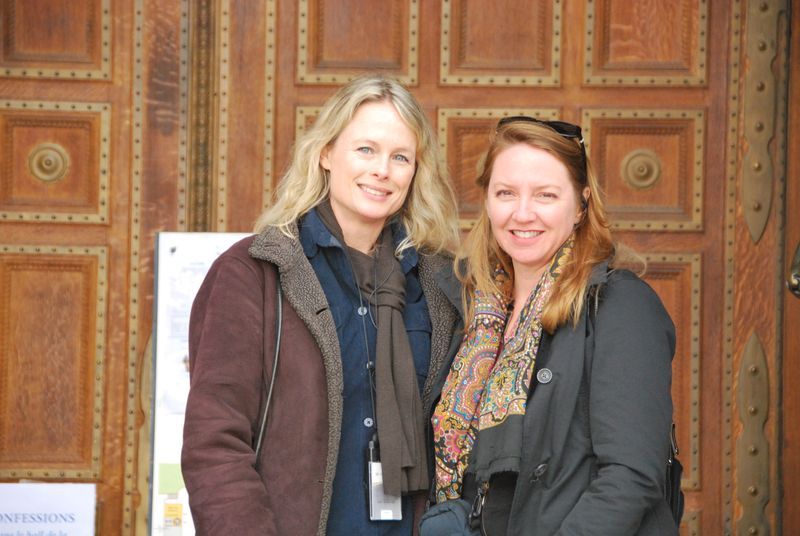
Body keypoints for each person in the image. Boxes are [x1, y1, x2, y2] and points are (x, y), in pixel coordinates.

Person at [181, 74, 463, 535]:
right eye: (365, 150)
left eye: (400, 157)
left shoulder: (438, 284)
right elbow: (214, 442)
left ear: (415, 171)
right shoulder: (253, 274)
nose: (382, 171)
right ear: (326, 153)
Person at [425, 117, 677, 535]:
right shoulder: (471, 308)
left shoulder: (620, 305)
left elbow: (631, 478)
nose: (522, 213)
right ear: (487, 200)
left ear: (581, 204)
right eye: (506, 192)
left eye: (545, 195)